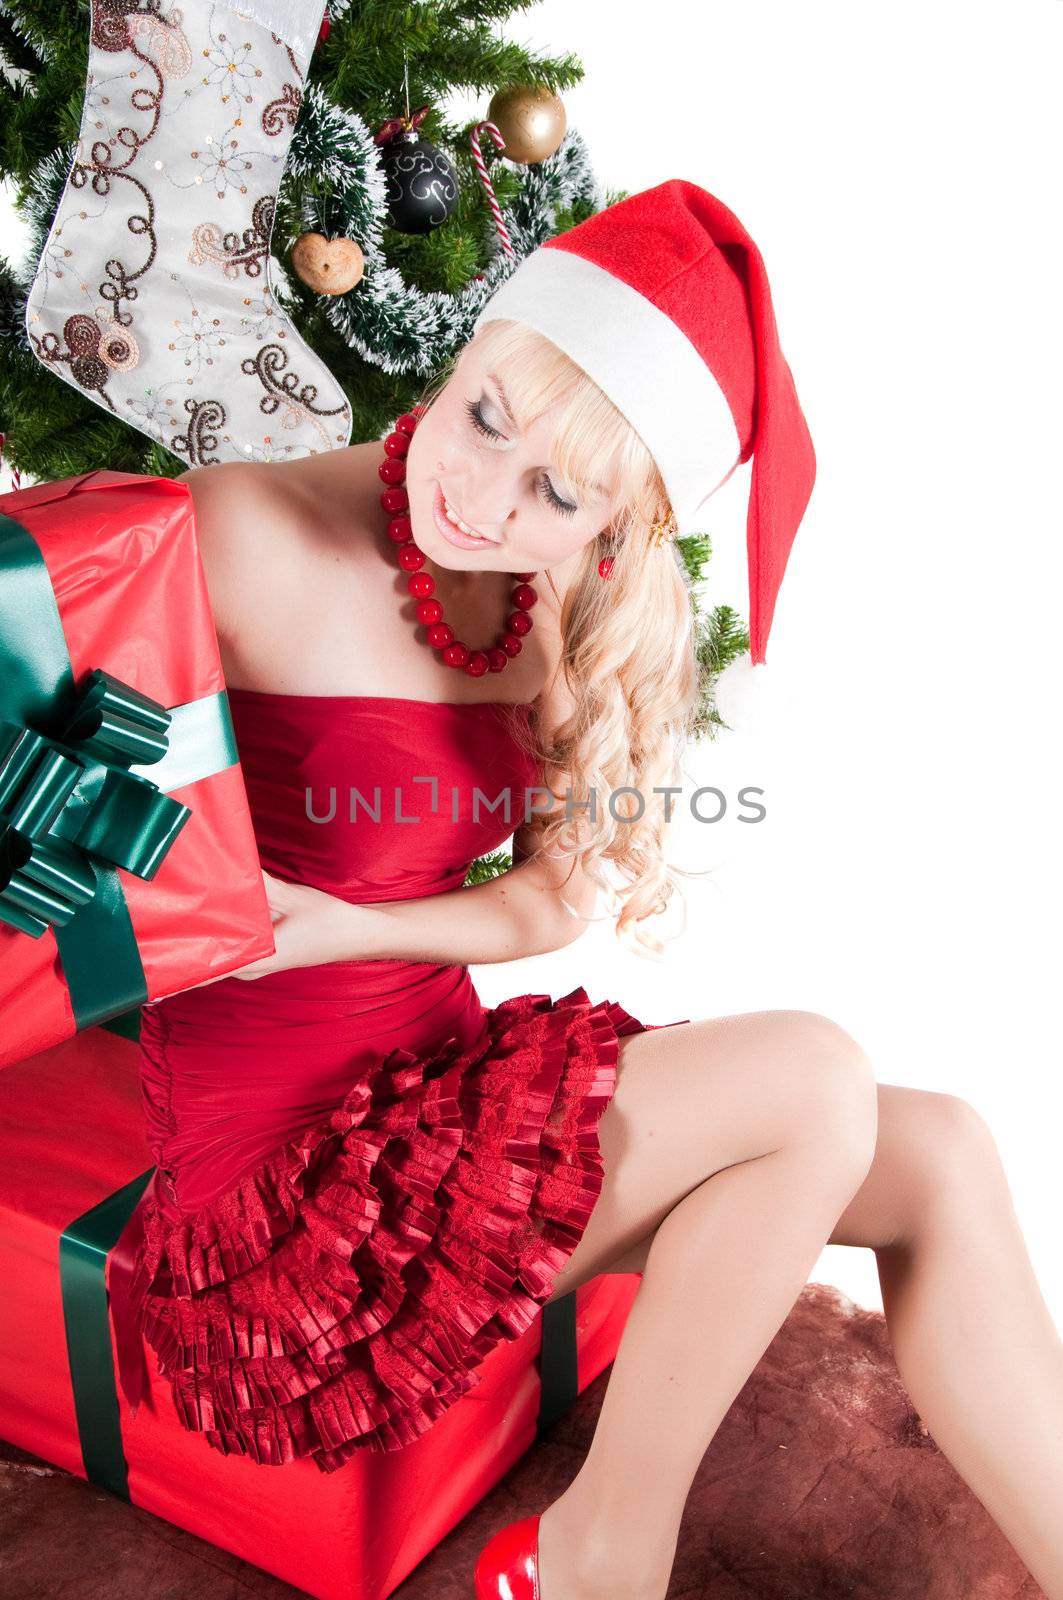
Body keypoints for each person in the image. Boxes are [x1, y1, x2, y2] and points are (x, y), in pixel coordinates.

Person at [108, 180, 1063, 1600]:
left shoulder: (563, 605)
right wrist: (210, 920)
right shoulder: (240, 530)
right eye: (486, 413)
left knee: (942, 1150)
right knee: (813, 1077)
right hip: (285, 1215)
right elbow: (63, 802)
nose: (479, 497)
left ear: (614, 516)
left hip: (425, 1099)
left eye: (555, 493)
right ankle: (600, 1555)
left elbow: (550, 904)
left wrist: (354, 924)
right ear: (470, 343)